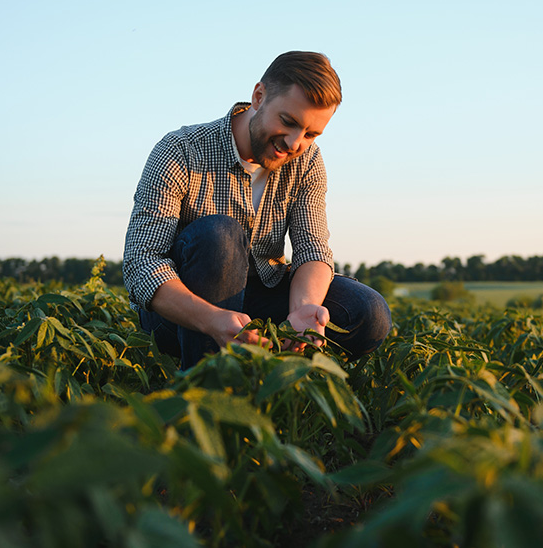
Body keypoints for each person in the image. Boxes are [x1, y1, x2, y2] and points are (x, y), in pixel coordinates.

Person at [123, 51, 391, 369]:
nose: (294, 143)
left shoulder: (307, 162)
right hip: (185, 310)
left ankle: (278, 360)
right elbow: (141, 262)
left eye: (311, 134)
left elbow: (313, 248)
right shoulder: (182, 150)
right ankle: (206, 380)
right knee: (219, 234)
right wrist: (210, 319)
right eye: (288, 122)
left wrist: (303, 309)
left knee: (367, 311)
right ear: (259, 96)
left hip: (262, 292)